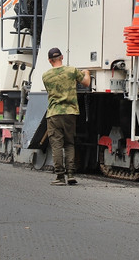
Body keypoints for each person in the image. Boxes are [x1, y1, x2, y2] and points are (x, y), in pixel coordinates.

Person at [42, 47, 91, 186]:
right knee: (69, 143)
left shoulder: (46, 76)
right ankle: (70, 175)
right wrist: (86, 72)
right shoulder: (71, 71)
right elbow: (86, 82)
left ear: (49, 60)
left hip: (54, 114)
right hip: (70, 113)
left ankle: (59, 176)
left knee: (57, 145)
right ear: (62, 57)